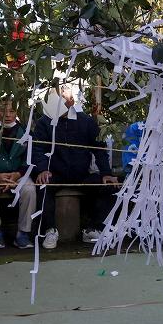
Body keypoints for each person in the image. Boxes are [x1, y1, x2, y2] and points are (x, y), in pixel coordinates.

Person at [33, 86, 117, 248]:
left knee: (109, 185)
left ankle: (93, 228)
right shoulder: (44, 122)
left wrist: (106, 173)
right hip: (54, 174)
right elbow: (37, 148)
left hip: (81, 174)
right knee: (43, 185)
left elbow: (99, 149)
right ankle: (50, 230)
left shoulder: (86, 121)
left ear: (71, 102)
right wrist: (43, 169)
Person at [0, 99, 37, 249]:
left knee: (29, 190)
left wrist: (17, 174)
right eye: (2, 110)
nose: (7, 115)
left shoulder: (26, 132)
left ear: (16, 112)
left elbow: (29, 159)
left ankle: (23, 233)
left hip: (18, 176)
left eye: (11, 111)